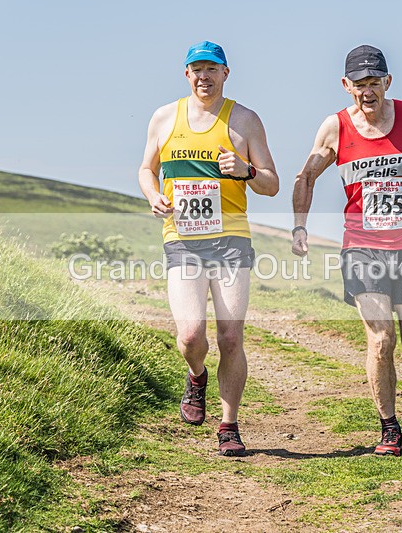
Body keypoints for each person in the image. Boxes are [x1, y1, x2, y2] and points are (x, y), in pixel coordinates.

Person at [291, 44, 402, 456]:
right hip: (362, 249)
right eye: (359, 85)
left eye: (374, 83)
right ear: (346, 86)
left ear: (388, 83)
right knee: (381, 339)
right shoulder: (335, 128)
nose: (368, 92)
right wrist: (299, 226)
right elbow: (306, 176)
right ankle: (389, 428)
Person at [138, 40, 279, 456]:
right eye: (196, 69)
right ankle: (196, 374)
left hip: (231, 237)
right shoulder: (165, 117)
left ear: (225, 74)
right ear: (187, 74)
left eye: (212, 69)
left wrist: (246, 170)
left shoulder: (245, 121)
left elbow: (271, 183)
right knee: (190, 334)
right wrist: (152, 195)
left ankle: (229, 425)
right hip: (182, 238)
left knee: (231, 337)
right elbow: (147, 169)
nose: (204, 76)